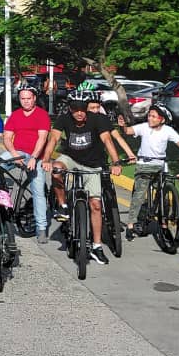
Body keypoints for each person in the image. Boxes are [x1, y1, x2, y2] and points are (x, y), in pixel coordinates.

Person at [44, 96, 123, 266]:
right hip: (71, 159)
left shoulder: (98, 119)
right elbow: (53, 139)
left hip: (93, 165)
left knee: (95, 204)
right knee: (56, 170)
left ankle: (96, 246)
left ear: (87, 108)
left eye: (82, 109)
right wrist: (46, 159)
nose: (79, 113)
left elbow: (107, 140)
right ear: (70, 109)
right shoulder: (64, 118)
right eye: (75, 109)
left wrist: (116, 162)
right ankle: (64, 206)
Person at [116, 103, 179, 240]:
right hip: (144, 164)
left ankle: (164, 223)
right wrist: (123, 125)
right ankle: (131, 224)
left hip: (160, 164)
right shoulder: (144, 127)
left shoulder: (168, 131)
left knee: (166, 191)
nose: (150, 118)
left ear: (162, 120)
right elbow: (128, 131)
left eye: (154, 116)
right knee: (139, 195)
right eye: (149, 115)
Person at [3, 86, 52, 243]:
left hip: (35, 156)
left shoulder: (42, 115)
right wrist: (15, 155)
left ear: (34, 98)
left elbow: (42, 138)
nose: (25, 101)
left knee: (38, 191)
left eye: (28, 98)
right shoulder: (15, 115)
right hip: (18, 152)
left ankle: (41, 228)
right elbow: (6, 137)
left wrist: (34, 158)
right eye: (23, 98)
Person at [85, 96, 136, 162]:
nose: (96, 110)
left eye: (98, 107)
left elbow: (117, 137)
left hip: (98, 159)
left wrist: (130, 155)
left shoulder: (103, 118)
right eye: (92, 108)